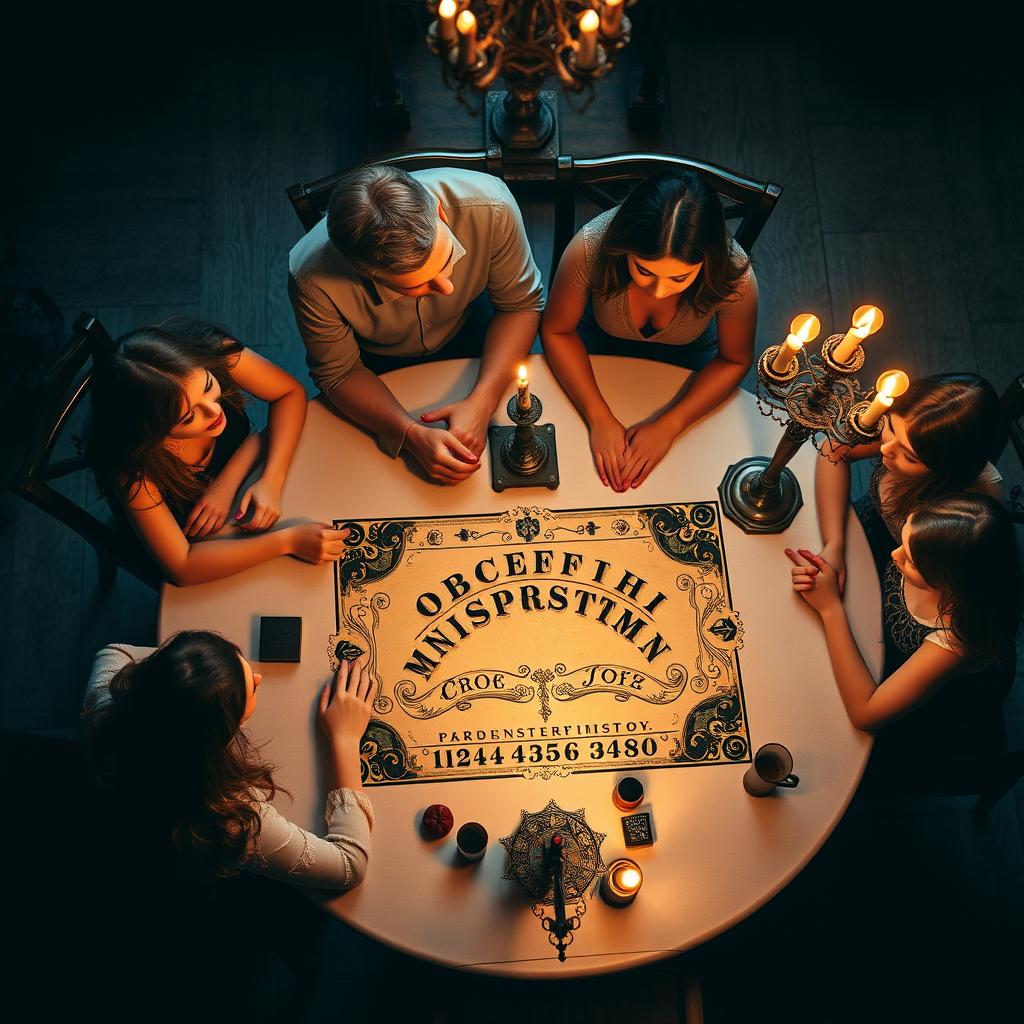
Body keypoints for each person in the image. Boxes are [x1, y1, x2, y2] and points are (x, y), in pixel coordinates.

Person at [288, 164, 545, 485]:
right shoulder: (310, 278)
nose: (447, 288)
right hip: (377, 366)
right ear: (363, 272)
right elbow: (339, 372)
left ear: (439, 211)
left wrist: (484, 400)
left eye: (447, 256)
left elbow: (520, 305)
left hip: (477, 325)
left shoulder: (493, 208)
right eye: (415, 286)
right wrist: (408, 434)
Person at [83, 632, 374, 888]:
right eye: (252, 689)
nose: (259, 678)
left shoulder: (107, 703)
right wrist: (345, 738)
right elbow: (349, 866)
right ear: (222, 732)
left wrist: (180, 681)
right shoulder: (229, 816)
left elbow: (113, 651)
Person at [87, 317, 349, 585]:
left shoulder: (212, 351)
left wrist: (267, 479)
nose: (215, 412)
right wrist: (287, 541)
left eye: (209, 387)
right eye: (188, 418)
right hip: (192, 539)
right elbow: (183, 568)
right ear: (152, 434)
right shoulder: (134, 468)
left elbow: (289, 394)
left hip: (243, 492)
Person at [541, 170, 758, 491]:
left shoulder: (734, 276)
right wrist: (598, 416)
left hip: (688, 359)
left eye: (680, 278)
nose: (659, 291)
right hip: (595, 343)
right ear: (624, 247)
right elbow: (557, 331)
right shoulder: (590, 248)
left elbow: (735, 360)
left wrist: (672, 424)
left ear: (707, 262)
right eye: (644, 270)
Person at [786, 493, 1022, 733]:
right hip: (877, 640)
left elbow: (865, 714)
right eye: (902, 541)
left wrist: (830, 608)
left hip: (931, 713)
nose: (894, 554)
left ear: (948, 582)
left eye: (910, 561)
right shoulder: (936, 548)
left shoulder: (957, 641)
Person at [815, 372, 1003, 592]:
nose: (885, 449)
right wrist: (834, 543)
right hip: (859, 524)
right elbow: (835, 449)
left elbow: (944, 586)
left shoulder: (969, 517)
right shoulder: (913, 428)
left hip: (913, 572)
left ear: (945, 469)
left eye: (910, 457)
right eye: (891, 428)